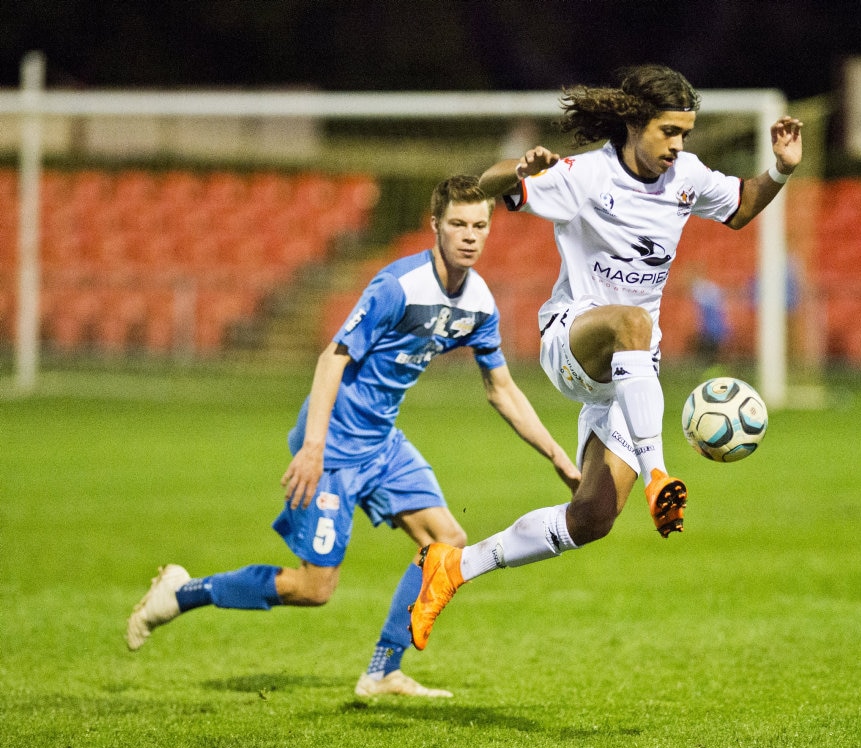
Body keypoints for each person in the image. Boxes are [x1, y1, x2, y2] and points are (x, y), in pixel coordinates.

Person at [125, 175, 581, 698]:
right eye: (458, 223)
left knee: (446, 543)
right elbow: (332, 358)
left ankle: (382, 670)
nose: (470, 235)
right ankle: (182, 594)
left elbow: (501, 389)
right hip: (335, 447)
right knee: (314, 588)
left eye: (480, 225)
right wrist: (314, 447)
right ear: (435, 225)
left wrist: (556, 457)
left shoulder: (478, 302)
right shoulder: (397, 287)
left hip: (383, 443)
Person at [408, 64, 802, 651]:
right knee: (633, 319)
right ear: (633, 123)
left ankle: (454, 567)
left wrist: (780, 170)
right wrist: (517, 170)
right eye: (669, 131)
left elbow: (742, 205)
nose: (679, 145)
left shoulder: (686, 177)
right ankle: (659, 474)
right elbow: (480, 188)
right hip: (573, 343)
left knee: (589, 517)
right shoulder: (584, 176)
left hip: (631, 372)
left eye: (686, 134)